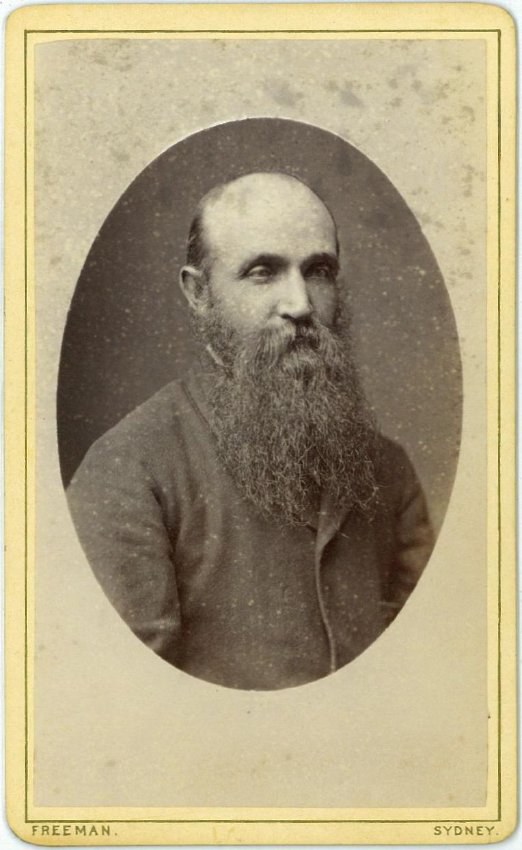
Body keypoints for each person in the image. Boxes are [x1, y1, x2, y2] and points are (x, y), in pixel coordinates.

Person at [67, 172, 434, 690]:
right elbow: (127, 703)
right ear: (199, 293)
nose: (301, 304)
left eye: (319, 271)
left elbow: (424, 668)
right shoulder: (126, 474)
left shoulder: (388, 469)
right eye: (263, 272)